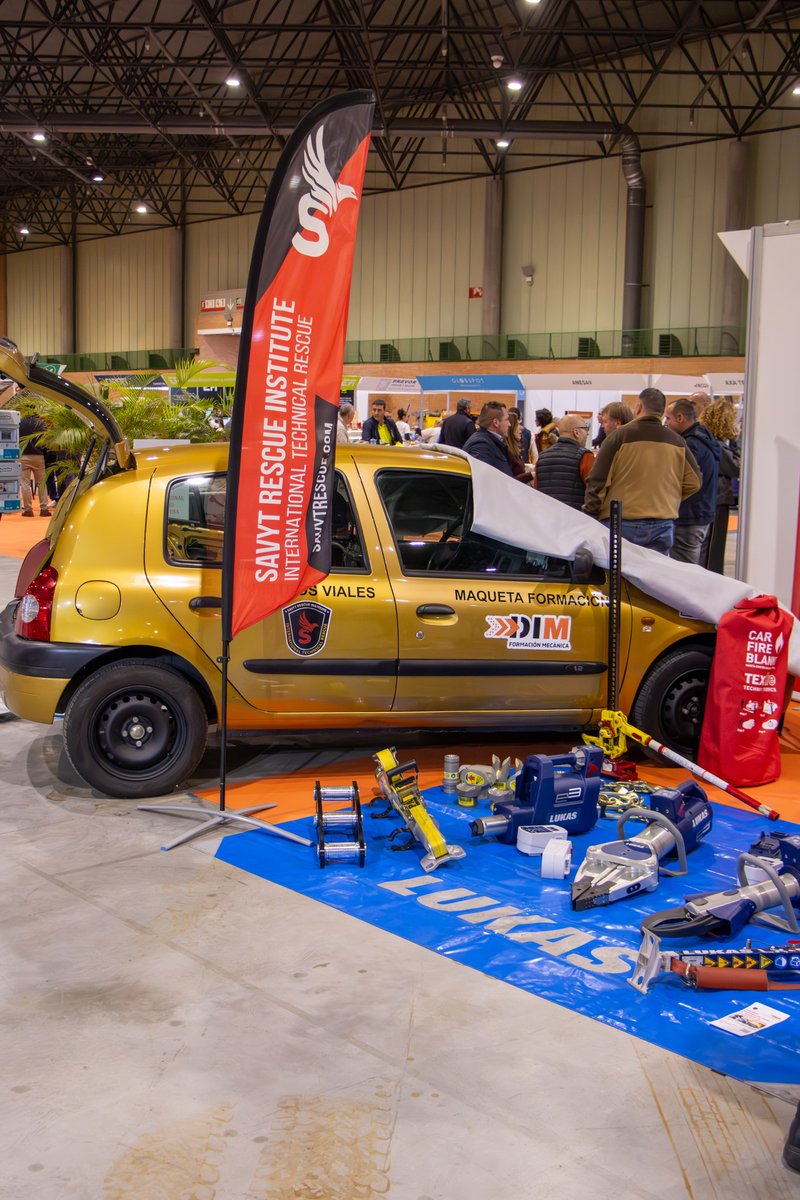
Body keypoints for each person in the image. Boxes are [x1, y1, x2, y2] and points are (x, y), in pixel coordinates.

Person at [583, 387, 700, 555]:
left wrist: (591, 514)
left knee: (618, 578)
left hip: (622, 522)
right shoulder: (678, 442)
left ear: (638, 407)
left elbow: (597, 480)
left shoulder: (618, 437)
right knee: (654, 578)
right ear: (661, 412)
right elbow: (694, 482)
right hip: (663, 522)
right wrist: (668, 498)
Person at [664, 397, 722, 564]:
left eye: (668, 418)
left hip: (689, 516)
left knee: (685, 571)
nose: (666, 423)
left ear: (680, 418)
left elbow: (685, 479)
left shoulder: (691, 445)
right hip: (699, 513)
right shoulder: (703, 438)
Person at [699, 397, 740, 574]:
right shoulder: (717, 445)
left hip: (711, 498)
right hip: (717, 498)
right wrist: (737, 443)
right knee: (712, 549)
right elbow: (737, 467)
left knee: (707, 547)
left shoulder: (706, 440)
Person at [535, 414, 594, 509]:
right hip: (575, 518)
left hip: (546, 516)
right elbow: (594, 491)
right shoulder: (585, 456)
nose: (587, 433)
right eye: (586, 429)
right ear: (576, 432)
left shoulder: (542, 457)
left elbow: (536, 490)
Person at [463, 401, 513, 476]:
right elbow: (482, 479)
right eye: (506, 419)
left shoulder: (488, 442)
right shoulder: (481, 445)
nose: (509, 424)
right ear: (496, 422)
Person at [19, 412, 52, 518]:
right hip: (38, 456)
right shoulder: (40, 423)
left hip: (23, 456)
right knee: (42, 483)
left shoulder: (20, 422)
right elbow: (45, 442)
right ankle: (44, 509)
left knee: (25, 484)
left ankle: (28, 510)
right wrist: (45, 456)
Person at [505, 409, 534, 484]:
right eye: (517, 425)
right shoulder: (507, 451)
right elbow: (508, 480)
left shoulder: (514, 450)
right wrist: (531, 475)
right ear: (511, 429)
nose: (520, 429)